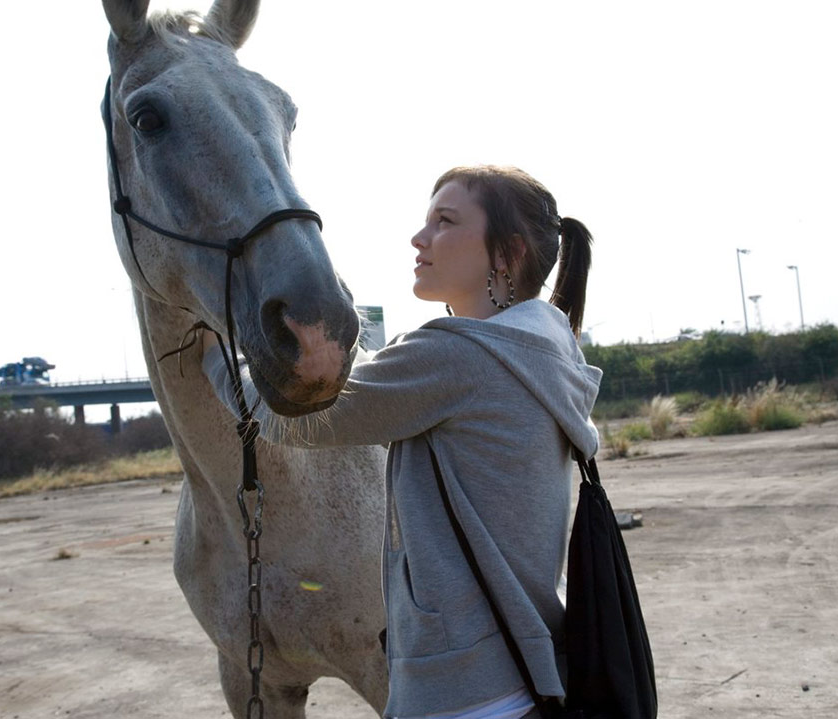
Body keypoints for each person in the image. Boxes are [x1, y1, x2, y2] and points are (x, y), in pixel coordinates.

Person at [202, 165, 602, 719]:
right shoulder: (547, 349)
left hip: (459, 691)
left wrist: (216, 357)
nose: (420, 238)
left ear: (505, 255)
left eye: (445, 221)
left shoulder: (459, 356)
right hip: (522, 676)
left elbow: (292, 417)